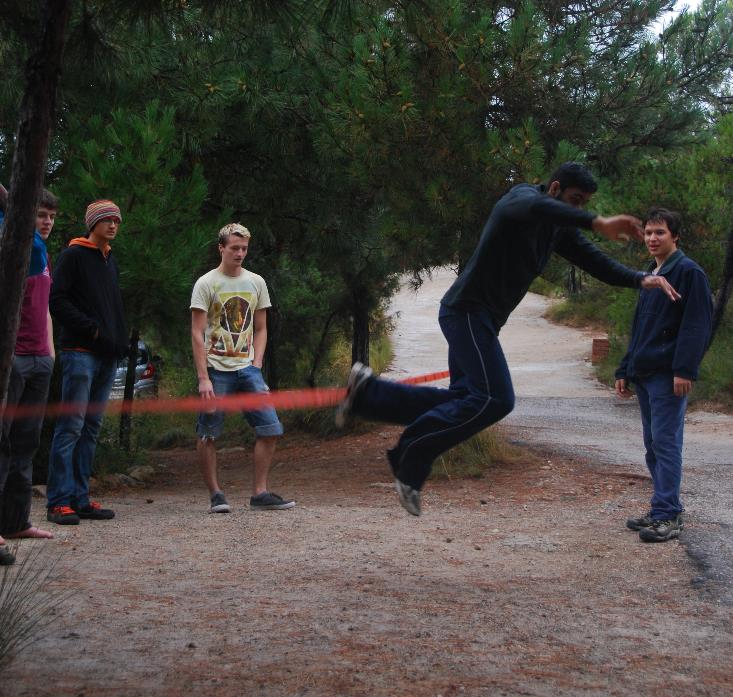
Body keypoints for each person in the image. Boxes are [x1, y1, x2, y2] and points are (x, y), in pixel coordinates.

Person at [336, 162, 681, 516]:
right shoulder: (521, 198)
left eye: (583, 204)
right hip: (466, 312)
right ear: (555, 188)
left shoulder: (557, 229)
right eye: (574, 200)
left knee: (464, 400)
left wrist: (641, 279)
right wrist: (596, 221)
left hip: (481, 320)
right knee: (496, 400)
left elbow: (596, 262)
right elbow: (532, 207)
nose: (575, 210)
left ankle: (369, 395)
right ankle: (412, 455)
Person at [615, 208, 713, 543]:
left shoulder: (688, 272)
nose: (653, 239)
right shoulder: (650, 275)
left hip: (668, 374)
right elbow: (641, 326)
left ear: (675, 237)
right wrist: (624, 368)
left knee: (666, 444)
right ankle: (663, 506)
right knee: (653, 445)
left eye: (660, 233)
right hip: (644, 373)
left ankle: (666, 515)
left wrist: (685, 369)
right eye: (648, 233)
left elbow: (697, 325)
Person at [191, 223, 294, 513]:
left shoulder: (256, 282)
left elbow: (261, 328)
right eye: (234, 248)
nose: (239, 253)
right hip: (215, 369)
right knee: (208, 432)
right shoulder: (206, 284)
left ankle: (259, 492)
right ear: (221, 248)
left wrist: (257, 364)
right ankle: (216, 495)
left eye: (244, 248)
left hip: (247, 368)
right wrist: (203, 378)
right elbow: (197, 332)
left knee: (270, 427)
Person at [46, 200, 128, 525]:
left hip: (107, 354)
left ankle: (80, 498)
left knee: (91, 428)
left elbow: (111, 304)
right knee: (71, 426)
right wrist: (91, 328)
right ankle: (58, 502)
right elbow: (57, 301)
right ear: (92, 224)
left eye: (116, 221)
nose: (112, 226)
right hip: (80, 353)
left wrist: (116, 338)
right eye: (106, 220)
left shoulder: (109, 260)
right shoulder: (73, 256)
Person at [0, 189, 59, 558]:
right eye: (40, 215)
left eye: (51, 216)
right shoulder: (14, 243)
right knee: (2, 443)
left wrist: (49, 351)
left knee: (26, 444)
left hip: (40, 359)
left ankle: (16, 521)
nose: (47, 222)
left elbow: (45, 307)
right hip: (13, 360)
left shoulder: (41, 253)